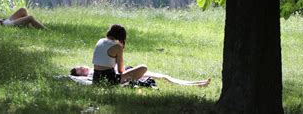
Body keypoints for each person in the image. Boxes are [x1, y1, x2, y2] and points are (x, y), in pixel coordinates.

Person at [70, 66, 211, 87]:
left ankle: (195, 83)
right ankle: (196, 84)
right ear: (80, 74)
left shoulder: (97, 68)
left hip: (128, 71)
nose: (83, 68)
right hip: (127, 75)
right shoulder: (92, 75)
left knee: (164, 76)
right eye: (80, 70)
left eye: (81, 66)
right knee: (164, 78)